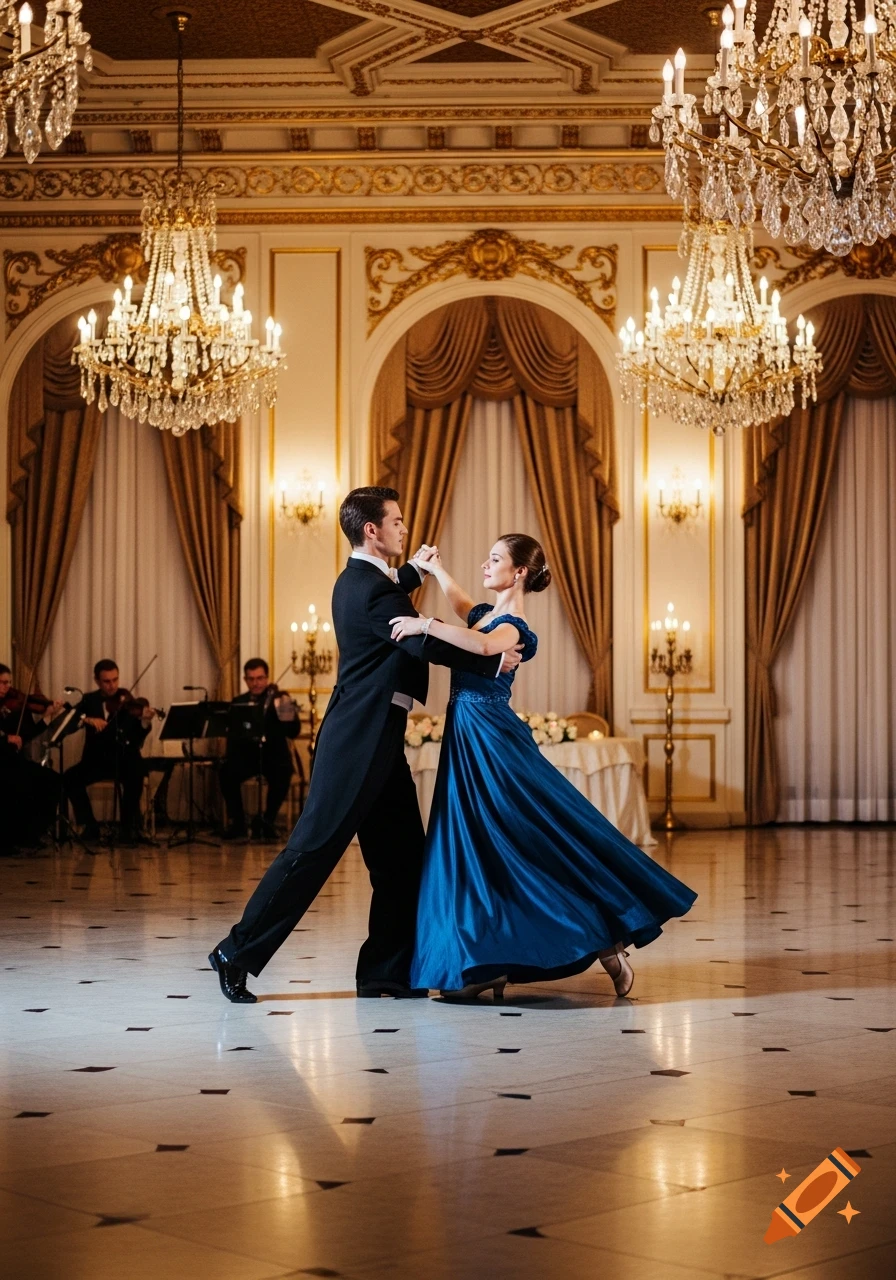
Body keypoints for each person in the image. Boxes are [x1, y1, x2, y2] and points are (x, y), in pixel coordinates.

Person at [209, 486, 523, 1003]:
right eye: (397, 522)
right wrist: (490, 659)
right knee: (311, 851)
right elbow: (419, 639)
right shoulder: (372, 590)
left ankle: (386, 974)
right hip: (358, 741)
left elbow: (392, 587)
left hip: (380, 739)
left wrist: (418, 572)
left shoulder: (362, 579)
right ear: (372, 530)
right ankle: (235, 952)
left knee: (402, 860)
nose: (405, 528)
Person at [389, 534, 698, 1001]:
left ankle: (603, 939)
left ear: (518, 574)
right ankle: (482, 964)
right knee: (476, 846)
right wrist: (434, 572)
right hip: (466, 734)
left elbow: (482, 645)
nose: (484, 564)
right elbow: (464, 607)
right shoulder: (489, 615)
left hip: (491, 737)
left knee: (523, 838)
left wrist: (422, 624)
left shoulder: (513, 625)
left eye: (494, 559)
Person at [62, 659, 157, 844]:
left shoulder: (128, 702)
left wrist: (144, 721)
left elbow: (137, 737)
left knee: (136, 773)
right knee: (69, 778)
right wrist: (86, 720)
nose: (112, 685)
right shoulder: (89, 700)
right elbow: (69, 721)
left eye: (115, 679)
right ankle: (90, 826)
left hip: (123, 759)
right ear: (97, 681)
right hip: (96, 760)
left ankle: (128, 829)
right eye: (107, 681)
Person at [219, 659, 300, 841]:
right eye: (251, 679)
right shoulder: (238, 702)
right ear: (245, 679)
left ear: (267, 678)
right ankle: (238, 822)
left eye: (260, 678)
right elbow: (232, 735)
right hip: (247, 757)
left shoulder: (280, 699)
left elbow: (294, 732)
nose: (256, 683)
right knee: (226, 772)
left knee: (283, 771)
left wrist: (286, 713)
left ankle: (267, 821)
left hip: (274, 757)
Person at [0, 664, 62, 853]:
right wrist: (5, 738)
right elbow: (8, 737)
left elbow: (23, 736)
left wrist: (47, 716)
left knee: (52, 780)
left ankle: (31, 833)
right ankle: (9, 839)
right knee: (17, 784)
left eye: (9, 682)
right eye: (2, 683)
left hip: (10, 760)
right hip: (2, 762)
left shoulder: (11, 707)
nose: (7, 687)